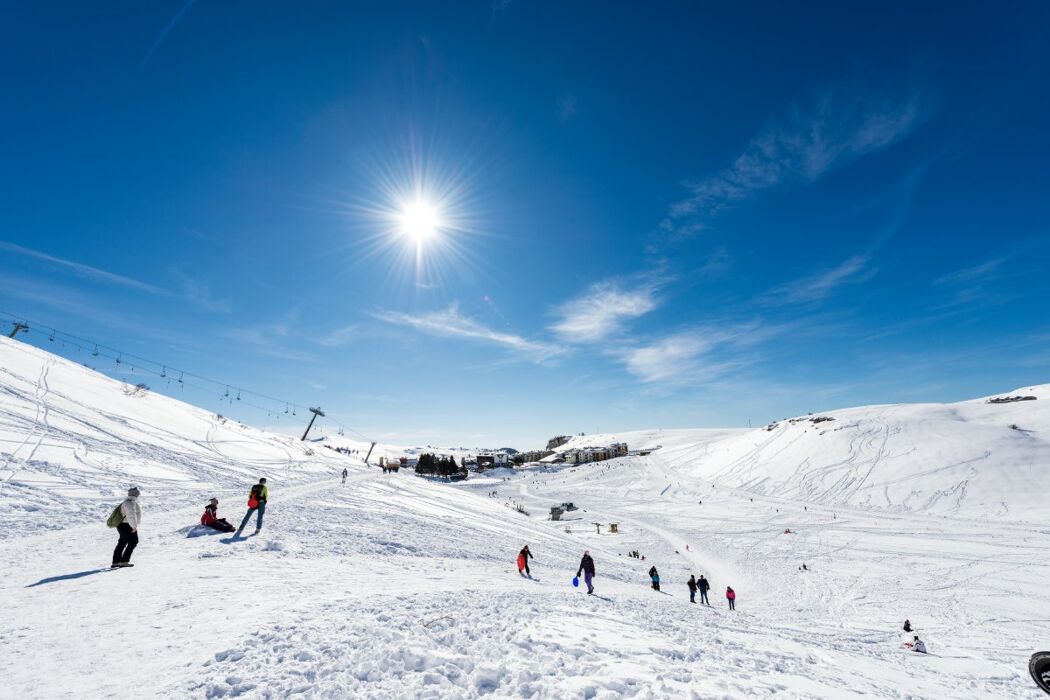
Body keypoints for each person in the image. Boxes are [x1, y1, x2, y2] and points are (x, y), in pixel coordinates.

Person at [112, 487, 142, 568]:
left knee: (123, 542)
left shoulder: (128, 502)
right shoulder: (130, 503)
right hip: (126, 525)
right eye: (138, 494)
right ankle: (123, 561)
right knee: (133, 541)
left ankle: (116, 562)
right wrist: (134, 526)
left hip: (123, 525)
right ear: (136, 494)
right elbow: (131, 516)